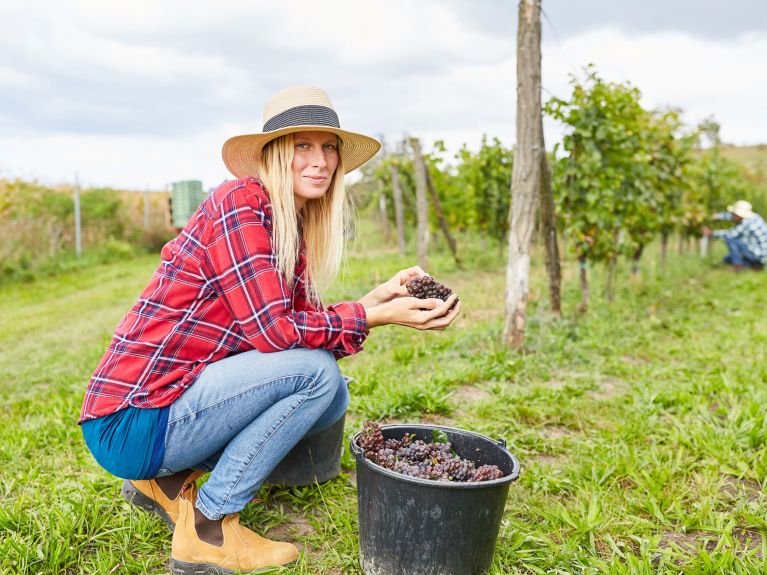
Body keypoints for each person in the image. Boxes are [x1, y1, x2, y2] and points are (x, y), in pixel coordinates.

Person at [78, 86, 461, 574]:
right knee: (318, 377)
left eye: (328, 147)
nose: (320, 160)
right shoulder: (241, 201)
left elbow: (296, 331)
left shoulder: (287, 225)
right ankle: (209, 527)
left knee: (332, 395)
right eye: (303, 145)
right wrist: (370, 318)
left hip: (164, 408)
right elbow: (277, 335)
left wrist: (373, 302)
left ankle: (167, 482)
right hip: (131, 420)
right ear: (275, 152)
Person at [703, 200, 767, 271]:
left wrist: (711, 233)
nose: (733, 215)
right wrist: (719, 216)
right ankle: (752, 265)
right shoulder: (755, 217)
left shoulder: (747, 223)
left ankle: (738, 266)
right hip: (761, 254)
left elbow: (729, 234)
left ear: (740, 215)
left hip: (757, 255)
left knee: (730, 239)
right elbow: (734, 217)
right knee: (727, 259)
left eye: (734, 214)